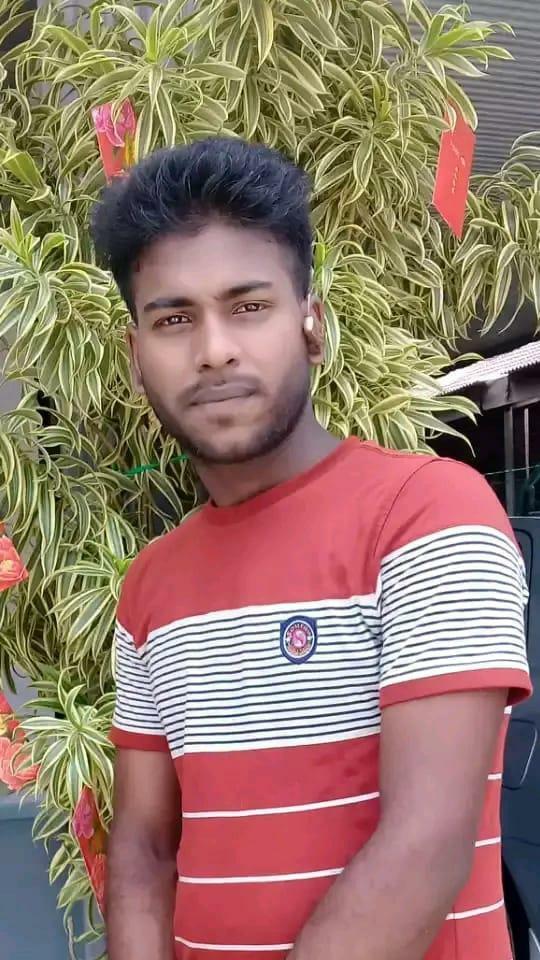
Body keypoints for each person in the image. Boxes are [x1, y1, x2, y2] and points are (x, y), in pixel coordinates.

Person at [91, 137, 531, 960]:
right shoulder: (151, 584)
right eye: (174, 319)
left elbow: (424, 844)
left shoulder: (427, 515)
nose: (213, 349)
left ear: (312, 325)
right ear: (137, 358)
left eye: (248, 306)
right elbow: (145, 853)